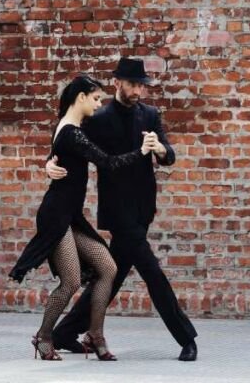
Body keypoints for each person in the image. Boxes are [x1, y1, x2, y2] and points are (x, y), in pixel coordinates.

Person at [48, 56, 199, 361]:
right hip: (118, 212)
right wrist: (49, 162)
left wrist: (161, 150)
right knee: (153, 273)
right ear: (117, 83)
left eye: (141, 86)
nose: (138, 92)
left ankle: (64, 332)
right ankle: (186, 337)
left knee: (111, 276)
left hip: (143, 209)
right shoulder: (98, 118)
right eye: (132, 85)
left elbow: (169, 156)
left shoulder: (150, 115)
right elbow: (68, 139)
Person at [8, 74, 150, 361]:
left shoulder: (69, 127)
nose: (99, 104)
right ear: (81, 97)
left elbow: (57, 152)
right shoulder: (71, 132)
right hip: (57, 215)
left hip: (70, 215)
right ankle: (44, 336)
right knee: (71, 281)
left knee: (107, 268)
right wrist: (142, 152)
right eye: (96, 98)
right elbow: (108, 163)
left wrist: (48, 162)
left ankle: (94, 334)